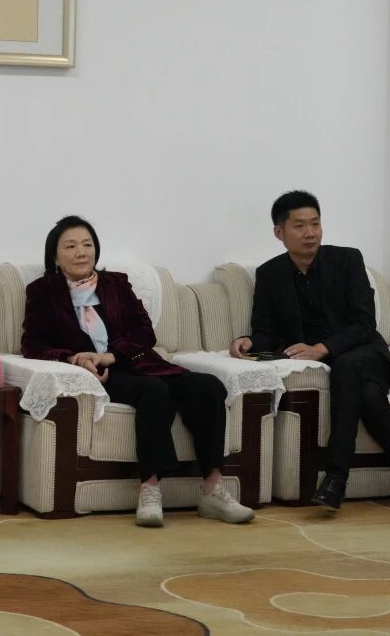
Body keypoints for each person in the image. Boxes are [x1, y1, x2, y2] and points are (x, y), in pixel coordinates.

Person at [21, 215, 254, 527]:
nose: (81, 252)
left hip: (134, 363)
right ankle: (150, 489)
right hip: (99, 377)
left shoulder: (116, 284)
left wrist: (112, 355)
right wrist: (75, 358)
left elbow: (145, 333)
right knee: (154, 392)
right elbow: (33, 344)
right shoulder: (43, 291)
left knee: (208, 386)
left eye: (87, 245)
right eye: (71, 246)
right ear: (55, 255)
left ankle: (213, 489)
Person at [230, 190, 390, 514]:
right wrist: (248, 341)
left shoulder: (348, 261)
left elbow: (364, 324)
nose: (310, 232)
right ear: (279, 232)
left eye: (315, 223)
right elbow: (266, 331)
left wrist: (322, 349)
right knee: (368, 399)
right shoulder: (270, 274)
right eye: (300, 225)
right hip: (338, 367)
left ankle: (336, 476)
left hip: (365, 353)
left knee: (347, 366)